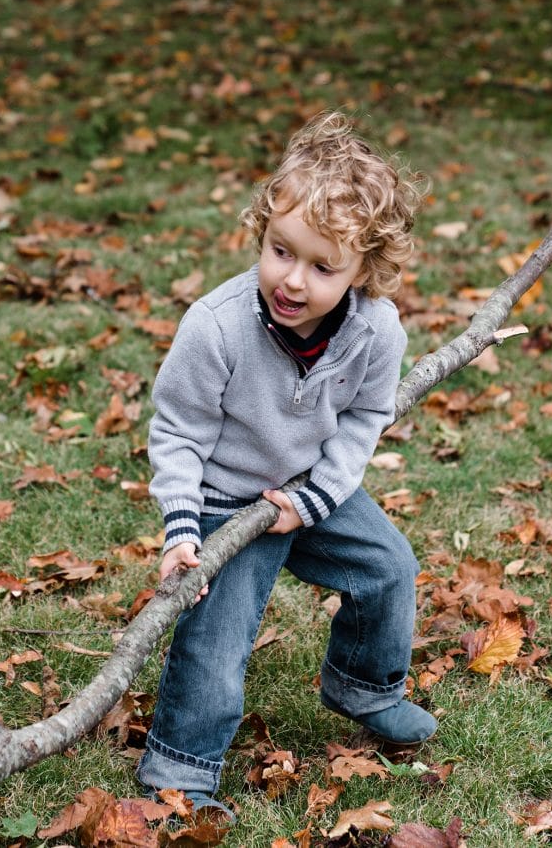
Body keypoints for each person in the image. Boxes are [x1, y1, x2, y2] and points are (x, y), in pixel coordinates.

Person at [137, 111, 434, 818]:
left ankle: (364, 686)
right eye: (280, 250)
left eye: (322, 266)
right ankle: (180, 772)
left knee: (388, 567)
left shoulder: (376, 329)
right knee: (215, 642)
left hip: (311, 489)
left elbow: (366, 416)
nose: (292, 279)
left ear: (364, 270)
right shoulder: (216, 326)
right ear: (262, 232)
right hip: (224, 499)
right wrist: (183, 529)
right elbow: (176, 430)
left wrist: (319, 497)